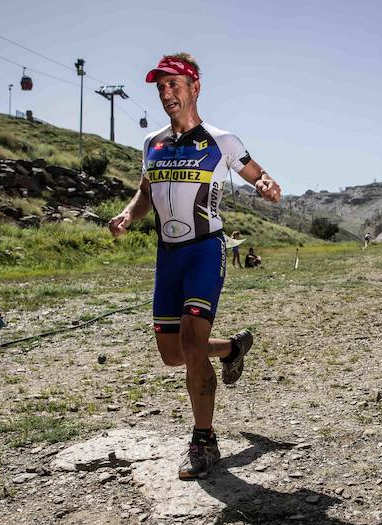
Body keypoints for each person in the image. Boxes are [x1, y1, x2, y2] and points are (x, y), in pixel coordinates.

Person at [108, 53, 281, 480]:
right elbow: (145, 193)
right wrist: (130, 215)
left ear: (194, 87)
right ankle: (232, 348)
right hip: (168, 255)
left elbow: (254, 172)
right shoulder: (153, 143)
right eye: (160, 87)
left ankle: (203, 440)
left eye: (174, 85)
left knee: (189, 339)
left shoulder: (221, 141)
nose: (167, 93)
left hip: (205, 249)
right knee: (173, 355)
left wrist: (265, 184)